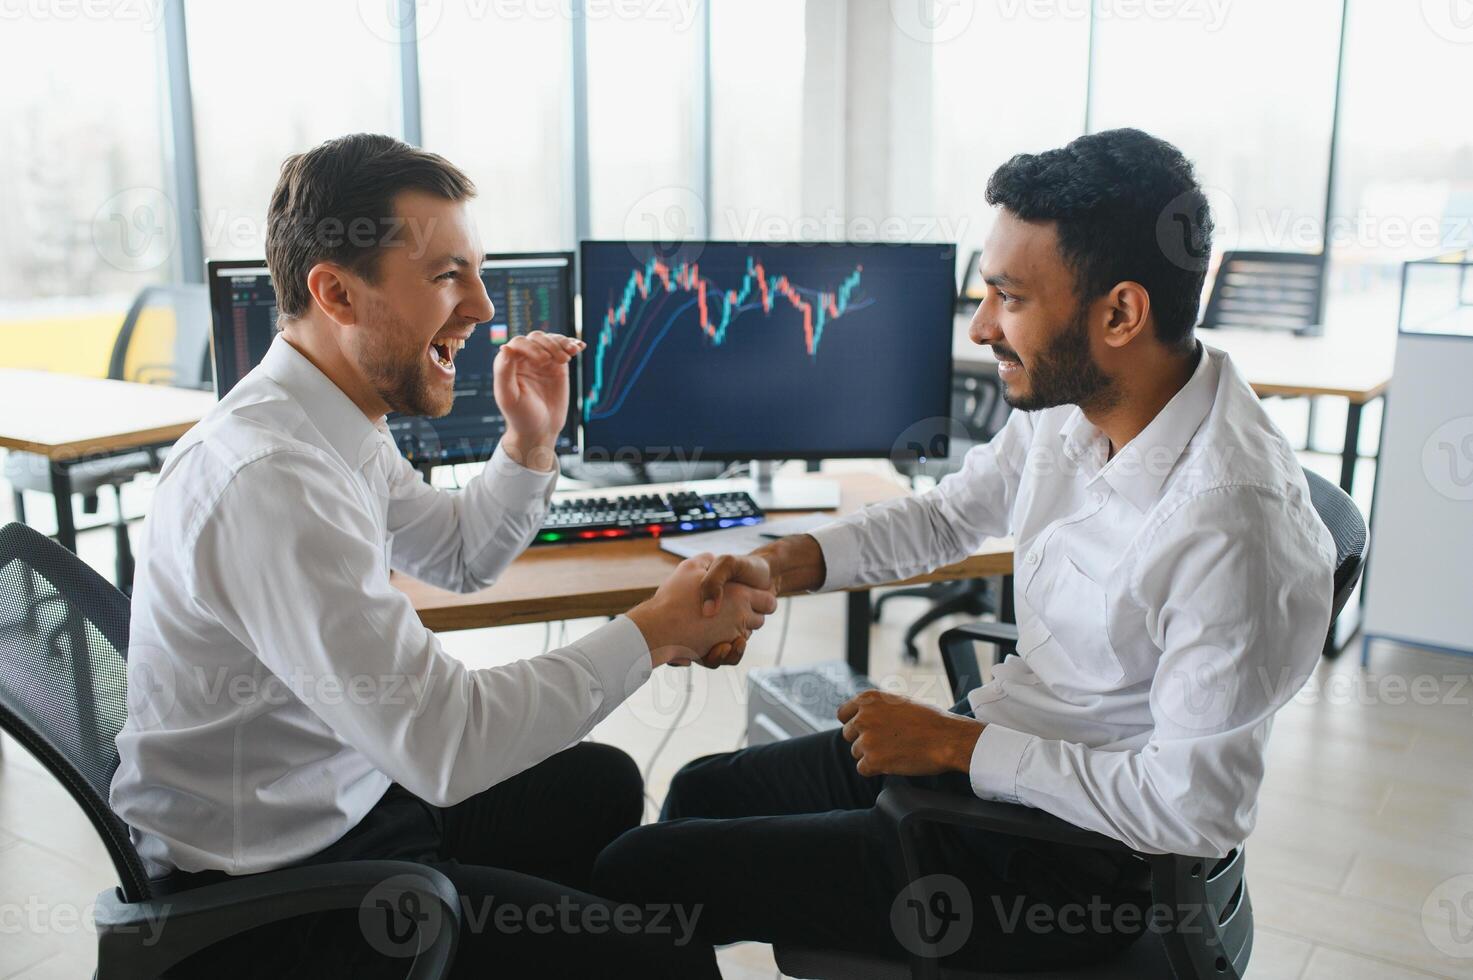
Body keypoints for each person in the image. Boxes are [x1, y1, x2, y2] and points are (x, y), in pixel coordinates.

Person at [592, 128, 1336, 971]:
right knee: (698, 791)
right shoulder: (1076, 408)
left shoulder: (1234, 525)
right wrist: (776, 564)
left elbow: (1190, 812)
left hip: (1070, 865)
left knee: (640, 873)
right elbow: (944, 519)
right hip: (1009, 757)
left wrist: (953, 747)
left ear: (1120, 312)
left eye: (1008, 297)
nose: (980, 326)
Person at [109, 133, 774, 977]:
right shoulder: (271, 478)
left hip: (349, 797)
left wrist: (529, 442)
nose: (486, 308)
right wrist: (653, 631)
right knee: (664, 960)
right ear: (336, 293)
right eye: (447, 276)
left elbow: (459, 556)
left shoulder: (327, 418)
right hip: (272, 895)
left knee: (599, 783)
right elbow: (446, 744)